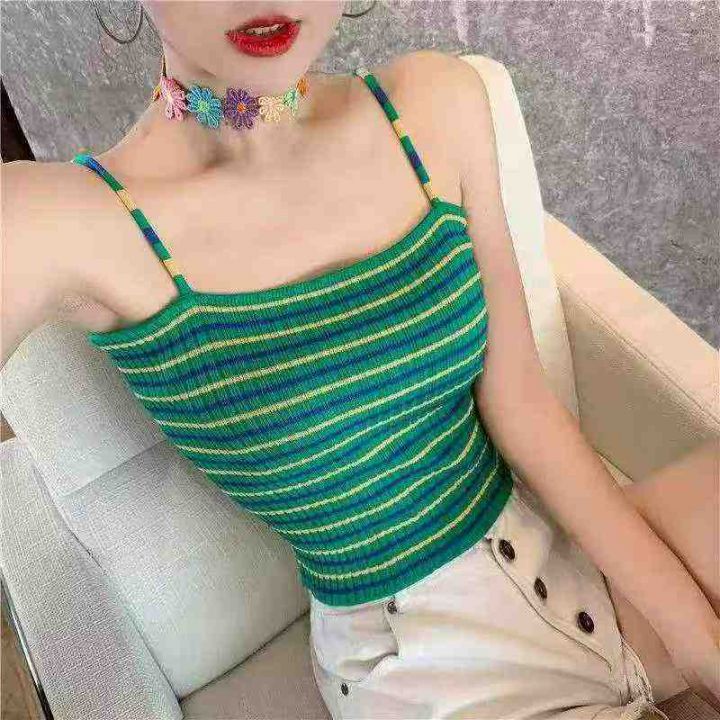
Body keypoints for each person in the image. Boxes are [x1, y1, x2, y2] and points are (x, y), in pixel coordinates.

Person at [2, 2, 718, 718]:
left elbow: (523, 404)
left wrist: (691, 632)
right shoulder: (63, 222)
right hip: (422, 670)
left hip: (558, 554)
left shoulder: (432, 104)